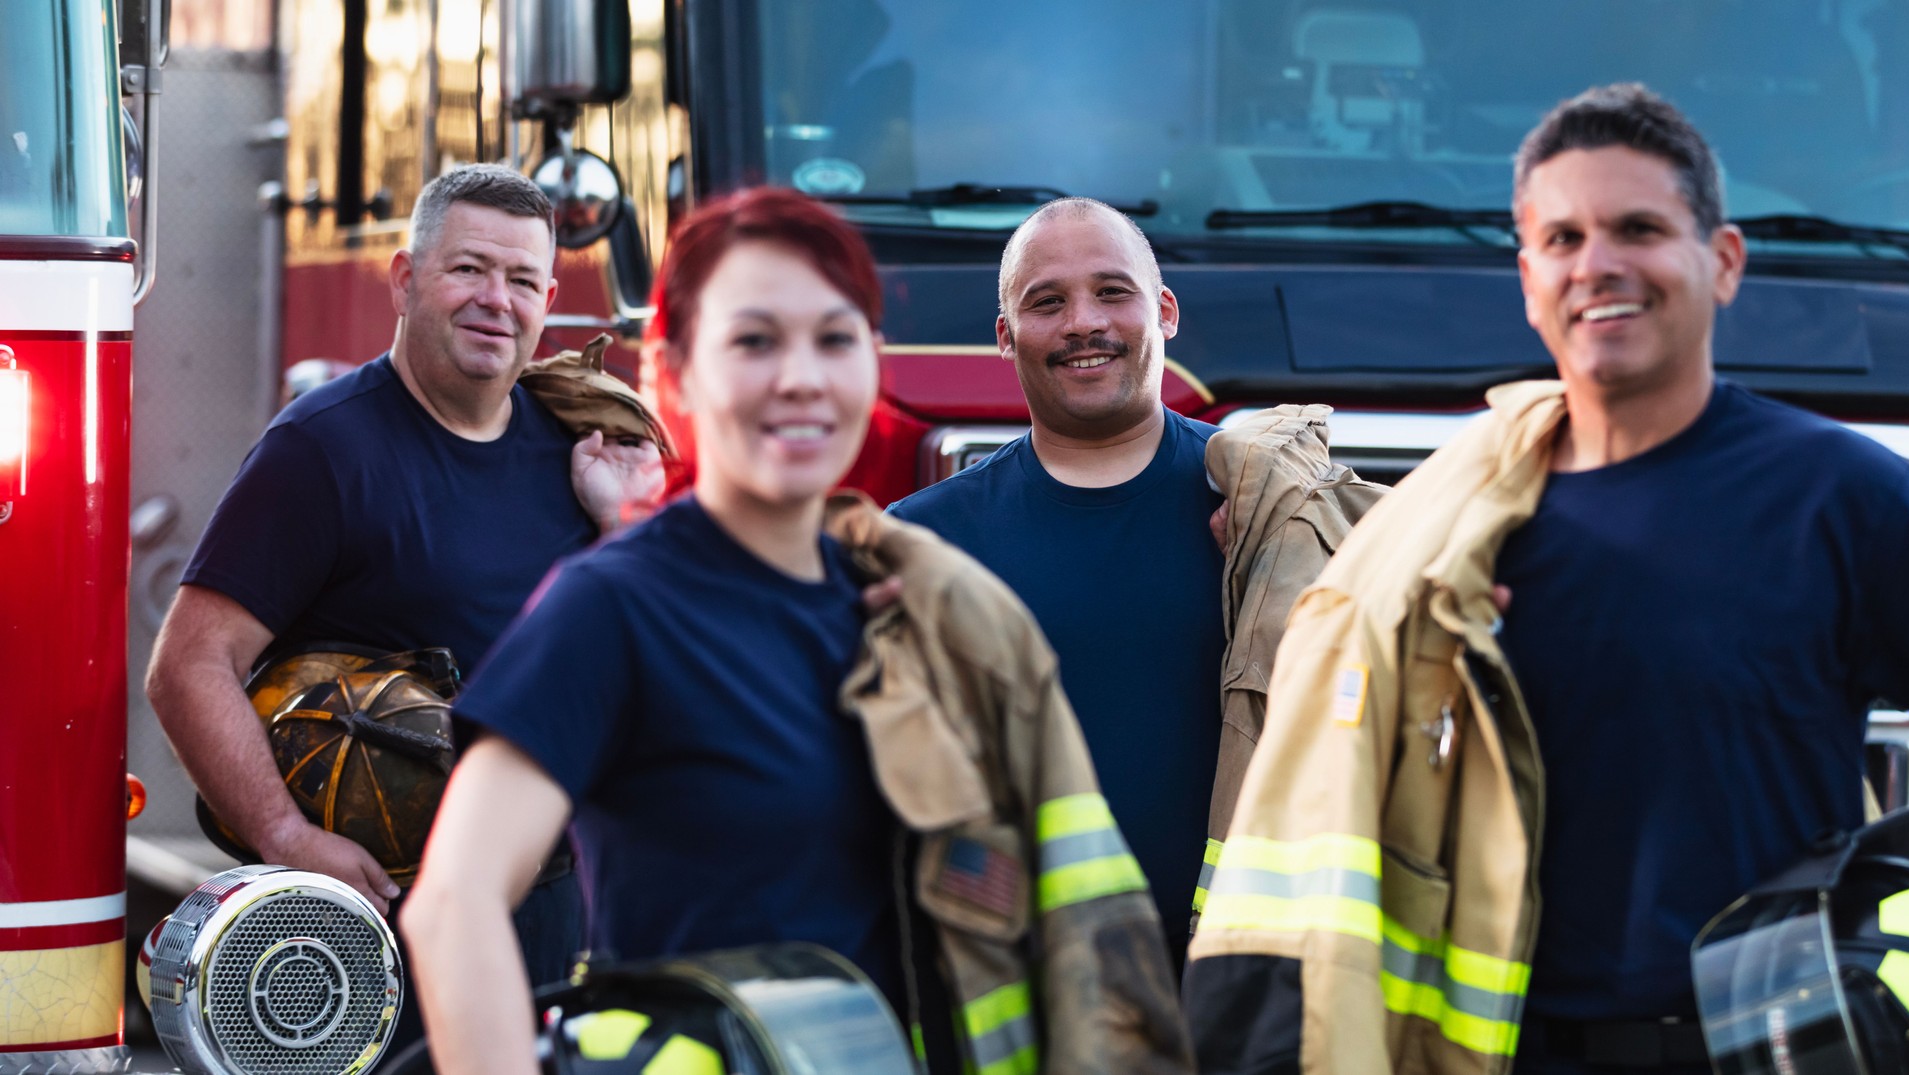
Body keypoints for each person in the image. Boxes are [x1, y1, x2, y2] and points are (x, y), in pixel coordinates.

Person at [1183, 82, 1909, 1074]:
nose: (1599, 265)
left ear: (1725, 261)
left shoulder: (1846, 500)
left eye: (1639, 228)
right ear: (1529, 281)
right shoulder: (1443, 531)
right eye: (1564, 240)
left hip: (1755, 1053)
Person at [400, 186, 1192, 1075]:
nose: (801, 376)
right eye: (755, 340)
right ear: (677, 366)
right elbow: (454, 904)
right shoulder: (617, 606)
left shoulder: (905, 604)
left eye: (834, 336)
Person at [146, 164, 662, 1054]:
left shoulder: (577, 453)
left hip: (555, 908)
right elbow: (189, 665)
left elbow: (635, 675)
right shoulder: (321, 449)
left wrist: (622, 525)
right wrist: (284, 835)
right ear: (404, 278)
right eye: (468, 269)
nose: (496, 300)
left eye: (524, 280)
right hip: (381, 929)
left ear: (547, 302)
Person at [887, 198, 1226, 964]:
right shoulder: (922, 541)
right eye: (1047, 302)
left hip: (1232, 990)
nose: (1083, 322)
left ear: (1164, 311)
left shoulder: (1271, 509)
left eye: (1113, 292)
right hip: (1022, 987)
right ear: (1005, 338)